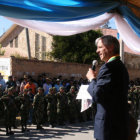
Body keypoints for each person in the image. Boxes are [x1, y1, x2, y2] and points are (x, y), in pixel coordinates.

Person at [86, 35, 129, 140]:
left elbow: (97, 95)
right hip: (117, 125)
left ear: (110, 47)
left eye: (100, 47)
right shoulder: (119, 65)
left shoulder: (109, 67)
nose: (97, 51)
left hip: (109, 127)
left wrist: (92, 79)